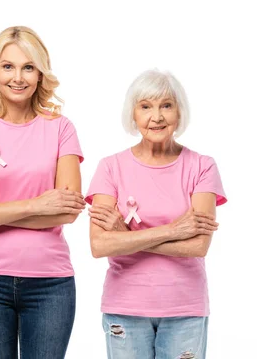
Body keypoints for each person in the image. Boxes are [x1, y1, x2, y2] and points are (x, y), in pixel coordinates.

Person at [0, 26, 86, 359]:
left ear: (41, 74)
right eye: (8, 66)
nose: (18, 77)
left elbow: (66, 210)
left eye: (28, 67)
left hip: (50, 283)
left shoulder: (60, 128)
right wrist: (37, 204)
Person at [86, 69, 227, 359]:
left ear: (179, 112)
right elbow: (99, 245)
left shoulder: (202, 167)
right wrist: (172, 230)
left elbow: (198, 246)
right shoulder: (110, 167)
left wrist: (127, 237)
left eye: (166, 105)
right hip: (125, 307)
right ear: (133, 114)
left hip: (184, 307)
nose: (157, 117)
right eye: (146, 106)